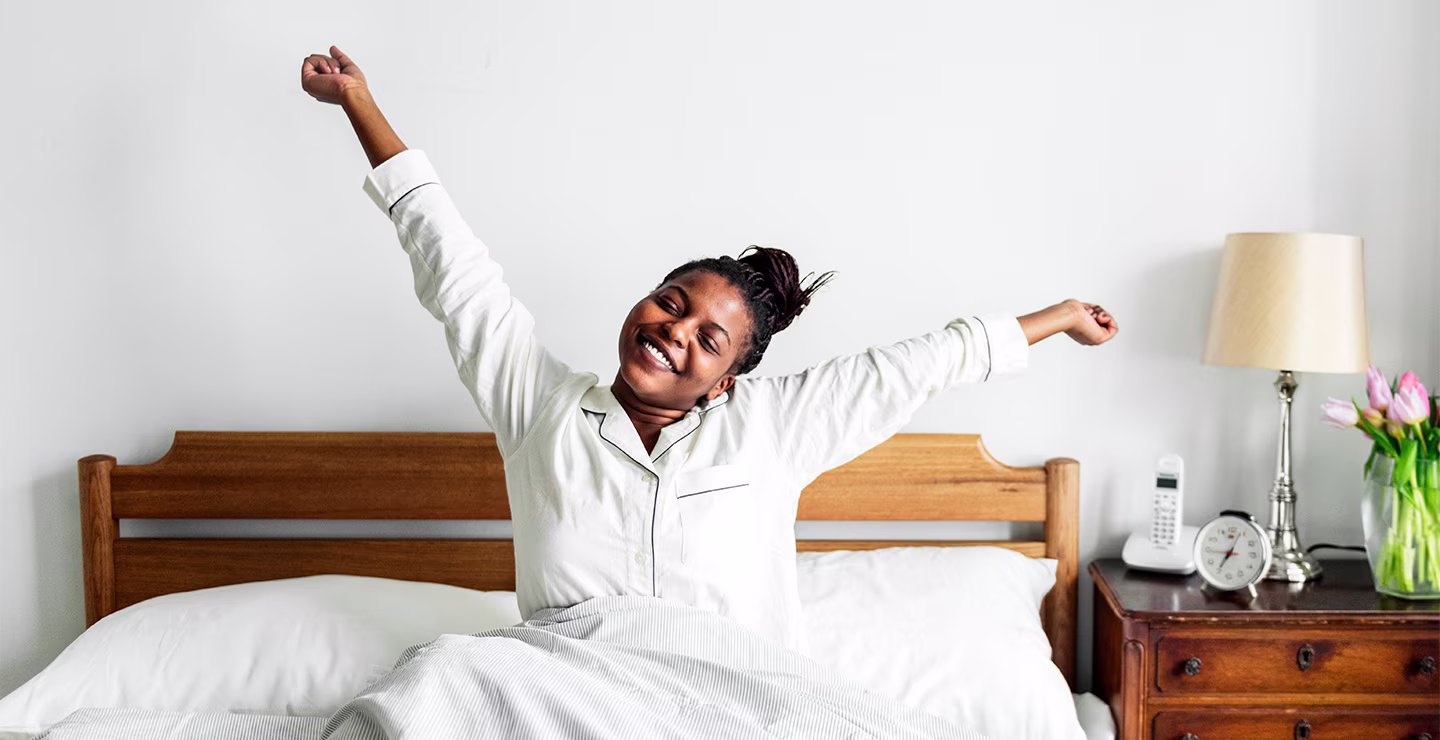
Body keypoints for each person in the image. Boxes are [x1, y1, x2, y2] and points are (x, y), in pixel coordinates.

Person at [301, 46, 1118, 654]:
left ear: (728, 378)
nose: (671, 330)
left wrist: (1060, 317)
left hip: (732, 702)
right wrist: (359, 104)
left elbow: (919, 364)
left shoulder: (775, 426)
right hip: (561, 694)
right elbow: (456, 270)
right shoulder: (540, 407)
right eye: (670, 303)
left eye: (707, 338)